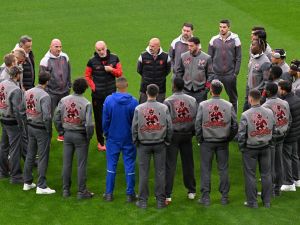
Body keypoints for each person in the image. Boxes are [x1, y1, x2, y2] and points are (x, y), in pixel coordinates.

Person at [195, 79, 238, 206]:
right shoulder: (228, 105)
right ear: (222, 90)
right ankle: (224, 197)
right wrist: (228, 137)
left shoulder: (203, 105)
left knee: (205, 169)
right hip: (222, 141)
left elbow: (198, 124)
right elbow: (235, 125)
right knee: (223, 169)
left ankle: (205, 197)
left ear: (211, 90)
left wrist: (200, 138)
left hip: (207, 141)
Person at [132, 84, 173, 209]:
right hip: (160, 144)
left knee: (143, 173)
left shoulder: (139, 108)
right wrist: (167, 140)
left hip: (144, 144)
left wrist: (136, 141)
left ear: (146, 92)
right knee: (160, 172)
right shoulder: (163, 107)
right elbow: (169, 127)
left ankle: (143, 201)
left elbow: (134, 128)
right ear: (157, 93)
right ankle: (160, 201)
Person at [54, 78, 94, 199]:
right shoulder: (86, 103)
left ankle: (66, 190)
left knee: (67, 163)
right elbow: (89, 124)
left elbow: (56, 118)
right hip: (80, 136)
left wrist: (61, 131)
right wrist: (89, 136)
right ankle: (81, 192)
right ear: (85, 89)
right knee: (81, 164)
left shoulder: (63, 100)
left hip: (67, 134)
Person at [102, 77, 138, 202]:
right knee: (129, 165)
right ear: (126, 85)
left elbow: (105, 120)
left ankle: (108, 194)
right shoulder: (134, 102)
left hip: (113, 138)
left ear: (116, 85)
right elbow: (135, 123)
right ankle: (130, 194)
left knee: (111, 165)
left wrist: (106, 133)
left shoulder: (109, 100)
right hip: (128, 138)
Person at [238, 89, 276, 208]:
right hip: (266, 147)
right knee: (266, 174)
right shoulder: (269, 112)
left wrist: (242, 147)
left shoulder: (246, 114)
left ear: (250, 99)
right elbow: (274, 130)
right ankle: (267, 202)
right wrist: (271, 143)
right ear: (260, 98)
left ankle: (252, 202)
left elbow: (241, 134)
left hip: (250, 149)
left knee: (250, 175)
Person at [163, 77, 197, 204]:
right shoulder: (192, 100)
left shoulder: (168, 101)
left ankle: (167, 194)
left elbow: (166, 122)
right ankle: (191, 191)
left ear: (174, 86)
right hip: (187, 135)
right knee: (188, 163)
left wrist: (167, 136)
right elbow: (196, 118)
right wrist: (193, 132)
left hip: (174, 136)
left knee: (170, 165)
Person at [85, 41, 122, 151]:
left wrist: (111, 70)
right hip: (98, 95)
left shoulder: (115, 58)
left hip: (111, 94)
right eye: (98, 50)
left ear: (106, 47)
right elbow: (87, 76)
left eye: (102, 49)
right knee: (99, 118)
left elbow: (119, 73)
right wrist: (93, 87)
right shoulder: (92, 61)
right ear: (96, 50)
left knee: (112, 116)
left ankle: (112, 139)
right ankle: (101, 142)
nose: (101, 52)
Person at [23, 71, 55, 194]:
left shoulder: (27, 92)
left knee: (30, 154)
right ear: (47, 82)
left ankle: (27, 182)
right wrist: (49, 131)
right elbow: (47, 117)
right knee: (43, 157)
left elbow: (22, 108)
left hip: (30, 126)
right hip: (41, 129)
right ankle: (41, 186)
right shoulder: (45, 96)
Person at [40, 38, 71, 141]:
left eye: (60, 46)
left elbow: (69, 72)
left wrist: (69, 86)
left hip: (65, 91)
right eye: (56, 46)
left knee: (66, 113)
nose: (59, 49)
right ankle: (59, 133)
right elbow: (42, 78)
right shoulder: (45, 60)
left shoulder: (65, 57)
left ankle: (64, 132)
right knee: (54, 115)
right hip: (52, 93)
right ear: (51, 47)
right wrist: (46, 92)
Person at [262, 82, 291, 196]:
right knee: (279, 163)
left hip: (271, 138)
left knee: (270, 165)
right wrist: (284, 132)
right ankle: (277, 189)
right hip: (282, 136)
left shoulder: (265, 106)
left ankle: (271, 191)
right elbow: (289, 120)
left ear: (267, 92)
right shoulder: (285, 103)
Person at [208, 19, 241, 112]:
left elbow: (239, 57)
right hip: (216, 74)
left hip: (230, 75)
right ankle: (213, 117)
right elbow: (209, 58)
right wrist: (211, 73)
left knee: (233, 98)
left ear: (229, 28)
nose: (222, 29)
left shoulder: (235, 40)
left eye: (224, 27)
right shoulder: (213, 40)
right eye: (220, 27)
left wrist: (235, 73)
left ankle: (234, 120)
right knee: (212, 97)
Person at [0, 66, 26, 183]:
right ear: (17, 75)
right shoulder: (15, 90)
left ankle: (3, 171)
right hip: (12, 121)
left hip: (2, 117)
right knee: (15, 148)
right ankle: (15, 176)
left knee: (4, 146)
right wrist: (22, 125)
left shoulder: (2, 83)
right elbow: (18, 111)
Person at [176, 37, 214, 103]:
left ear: (197, 45)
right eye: (188, 45)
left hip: (200, 92)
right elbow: (179, 72)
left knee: (200, 112)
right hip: (185, 91)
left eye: (191, 46)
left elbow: (210, 75)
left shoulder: (206, 58)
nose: (189, 48)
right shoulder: (183, 56)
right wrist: (180, 86)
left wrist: (206, 89)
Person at [277, 80, 300, 191]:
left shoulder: (286, 103)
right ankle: (297, 179)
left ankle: (288, 182)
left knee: (286, 158)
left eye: (279, 88)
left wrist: (283, 134)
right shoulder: (296, 99)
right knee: (294, 156)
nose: (278, 90)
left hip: (289, 135)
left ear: (283, 90)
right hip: (296, 134)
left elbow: (287, 121)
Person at [137, 38, 171, 103]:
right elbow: (139, 70)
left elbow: (167, 71)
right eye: (150, 45)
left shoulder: (166, 56)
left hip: (160, 89)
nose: (150, 48)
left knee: (160, 110)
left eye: (153, 46)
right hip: (145, 89)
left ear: (158, 47)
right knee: (144, 110)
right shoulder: (143, 56)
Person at [243, 38, 270, 111]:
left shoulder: (265, 62)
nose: (251, 46)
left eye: (253, 45)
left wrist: (262, 98)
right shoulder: (254, 57)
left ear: (260, 47)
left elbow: (267, 83)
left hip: (257, 96)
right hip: (250, 92)